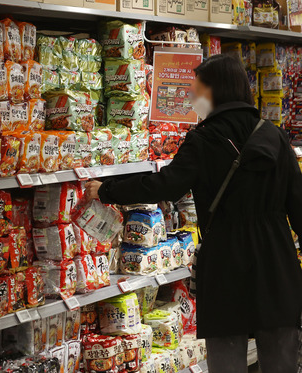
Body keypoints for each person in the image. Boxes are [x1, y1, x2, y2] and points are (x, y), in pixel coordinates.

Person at [86, 54, 302, 373]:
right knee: (281, 360)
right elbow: (298, 206)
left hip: (226, 260)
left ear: (215, 92)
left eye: (196, 91)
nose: (191, 99)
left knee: (226, 359)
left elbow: (164, 186)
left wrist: (107, 189)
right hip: (276, 261)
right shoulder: (275, 136)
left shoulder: (203, 139)